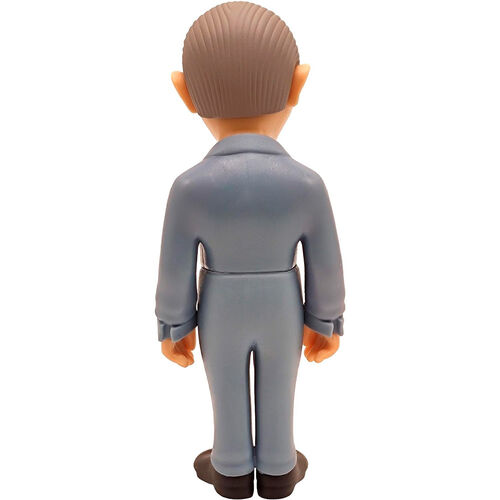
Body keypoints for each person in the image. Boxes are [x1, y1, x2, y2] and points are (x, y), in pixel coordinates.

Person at [156, 2, 345, 498]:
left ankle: (232, 467)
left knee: (224, 386)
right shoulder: (307, 184)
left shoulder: (189, 188)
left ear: (185, 93)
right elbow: (325, 263)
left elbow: (174, 269)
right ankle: (279, 467)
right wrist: (325, 321)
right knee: (281, 383)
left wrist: (174, 326)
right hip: (283, 304)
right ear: (297, 85)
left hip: (219, 305)